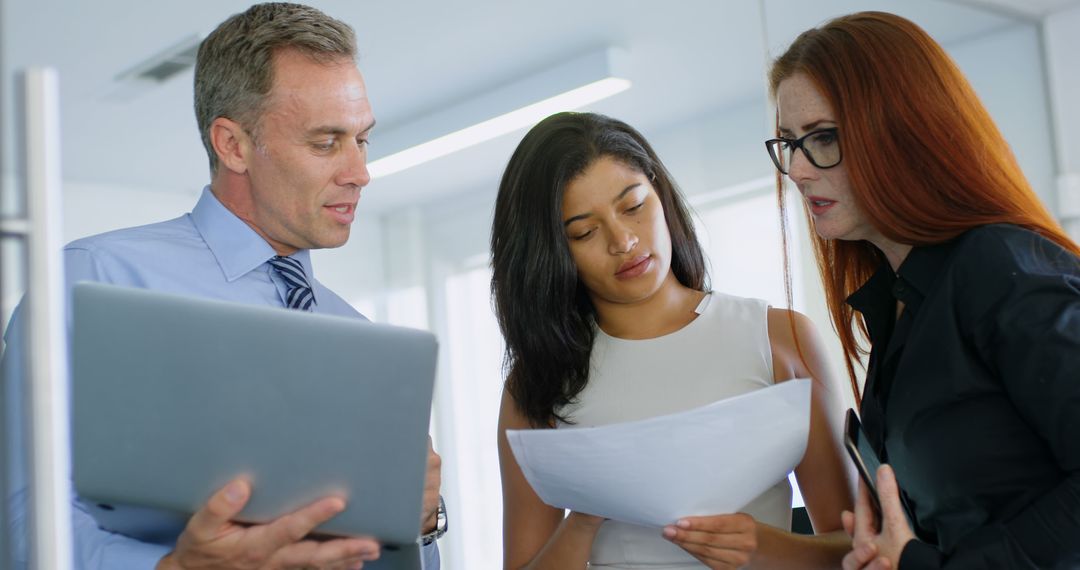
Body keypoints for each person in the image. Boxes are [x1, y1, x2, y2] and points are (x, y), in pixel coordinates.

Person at [1, 3, 445, 568]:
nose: (359, 172)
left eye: (363, 140)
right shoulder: (93, 280)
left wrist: (423, 522)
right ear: (232, 145)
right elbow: (20, 514)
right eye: (326, 142)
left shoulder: (358, 337)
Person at [765, 11, 1080, 569]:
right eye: (789, 144)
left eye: (824, 138)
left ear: (906, 131)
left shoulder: (997, 267)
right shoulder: (898, 303)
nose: (798, 171)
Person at [490, 111, 855, 569]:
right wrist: (584, 518)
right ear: (552, 252)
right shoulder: (538, 384)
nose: (622, 241)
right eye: (584, 231)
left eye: (633, 206)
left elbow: (853, 546)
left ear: (660, 194)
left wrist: (761, 547)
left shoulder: (779, 337)